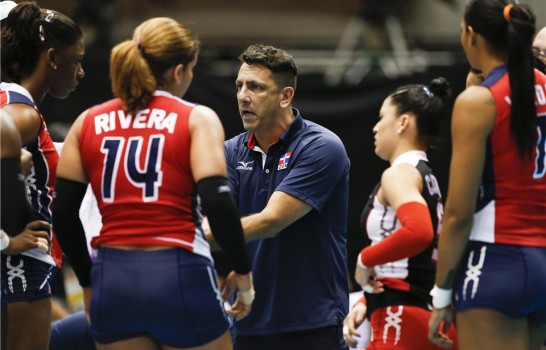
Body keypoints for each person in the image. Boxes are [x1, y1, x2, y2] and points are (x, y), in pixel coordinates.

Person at [51, 17, 254, 350]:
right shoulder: (195, 118)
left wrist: (89, 283)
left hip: (112, 279)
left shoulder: (88, 122)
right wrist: (243, 274)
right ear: (177, 72)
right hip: (177, 270)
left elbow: (63, 212)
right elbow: (217, 201)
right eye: (190, 71)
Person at [428, 1, 546, 349]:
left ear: (471, 35)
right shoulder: (541, 86)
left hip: (495, 261)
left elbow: (459, 213)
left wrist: (441, 294)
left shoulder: (479, 101)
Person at [217, 44, 350, 349]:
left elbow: (272, 221)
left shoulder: (322, 147)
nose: (242, 96)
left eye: (255, 87)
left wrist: (185, 236)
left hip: (311, 323)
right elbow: (221, 219)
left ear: (285, 96)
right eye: (239, 86)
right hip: (247, 320)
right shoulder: (231, 150)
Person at [343, 78, 458, 350]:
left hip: (402, 317)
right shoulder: (426, 175)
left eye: (382, 117)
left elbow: (419, 232)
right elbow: (413, 262)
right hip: (419, 313)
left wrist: (364, 258)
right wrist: (366, 301)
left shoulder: (399, 174)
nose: (375, 126)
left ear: (403, 123)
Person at [0, 2, 85, 349]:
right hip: (22, 269)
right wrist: (5, 240)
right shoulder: (22, 113)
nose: (80, 73)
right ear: (52, 58)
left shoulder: (10, 100)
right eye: (76, 61)